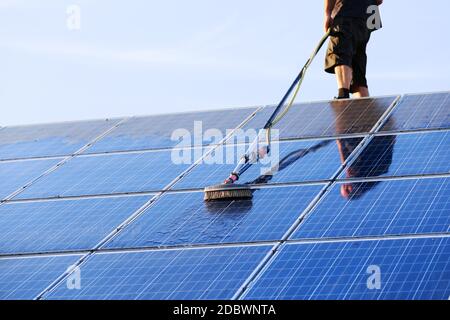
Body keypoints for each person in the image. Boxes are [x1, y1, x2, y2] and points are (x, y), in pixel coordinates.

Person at [324, 0, 383, 99]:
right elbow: (379, 1)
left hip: (346, 11)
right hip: (369, 16)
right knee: (357, 63)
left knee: (341, 52)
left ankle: (343, 95)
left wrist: (327, 14)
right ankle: (364, 106)